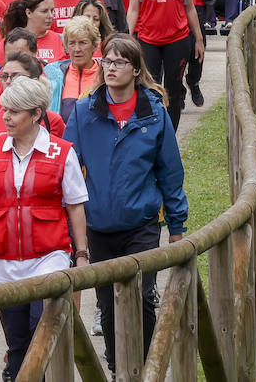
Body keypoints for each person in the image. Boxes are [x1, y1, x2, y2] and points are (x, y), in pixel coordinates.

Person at [64, 35, 188, 378]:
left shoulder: (153, 112)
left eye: (119, 62)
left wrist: (177, 226)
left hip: (142, 223)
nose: (111, 68)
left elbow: (170, 172)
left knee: (142, 295)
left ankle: (147, 365)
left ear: (135, 70)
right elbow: (67, 167)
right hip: (99, 225)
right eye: (107, 61)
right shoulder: (83, 111)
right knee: (107, 303)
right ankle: (120, 368)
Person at [0, 76, 89, 381]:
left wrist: (81, 253)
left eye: (14, 112)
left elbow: (76, 205)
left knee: (41, 332)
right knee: (16, 342)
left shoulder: (61, 150)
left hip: (49, 255)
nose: (6, 117)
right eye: (5, 110)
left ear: (36, 114)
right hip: (2, 260)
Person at [124, 0, 205, 128]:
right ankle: (152, 130)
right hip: (148, 39)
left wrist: (199, 39)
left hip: (178, 38)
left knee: (173, 89)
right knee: (149, 88)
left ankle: (172, 133)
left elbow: (189, 7)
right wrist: (128, 39)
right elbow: (133, 8)